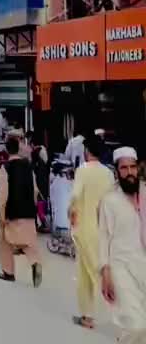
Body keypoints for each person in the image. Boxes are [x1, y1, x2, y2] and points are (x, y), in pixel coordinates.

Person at [99, 146, 146, 344]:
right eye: (124, 168)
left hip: (142, 267)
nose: (129, 172)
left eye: (132, 167)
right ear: (117, 171)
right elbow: (103, 237)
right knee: (136, 325)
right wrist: (105, 272)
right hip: (121, 268)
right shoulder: (110, 200)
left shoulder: (144, 194)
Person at [69, 133, 114, 330]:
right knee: (98, 269)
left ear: (87, 151)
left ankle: (114, 313)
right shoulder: (108, 173)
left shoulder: (83, 170)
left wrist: (71, 213)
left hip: (85, 228)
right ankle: (88, 315)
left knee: (88, 273)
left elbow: (75, 195)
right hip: (103, 228)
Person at [0, 134, 42, 287]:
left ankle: (8, 272)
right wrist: (33, 207)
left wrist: (2, 215)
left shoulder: (6, 168)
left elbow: (4, 194)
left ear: (7, 150)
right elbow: (35, 190)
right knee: (28, 242)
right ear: (18, 149)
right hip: (28, 211)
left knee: (4, 241)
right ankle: (35, 263)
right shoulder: (28, 166)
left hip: (13, 212)